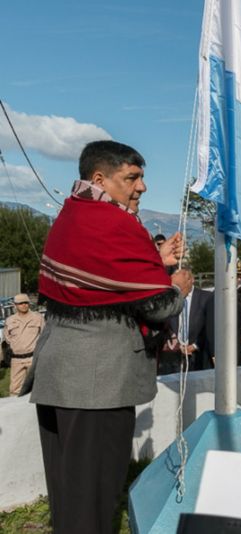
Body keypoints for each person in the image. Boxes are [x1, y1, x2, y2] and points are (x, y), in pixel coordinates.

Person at [25, 140, 190, 534]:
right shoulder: (115, 225)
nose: (142, 187)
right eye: (132, 177)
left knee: (70, 490)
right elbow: (156, 306)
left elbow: (103, 281)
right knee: (95, 496)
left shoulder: (71, 216)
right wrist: (177, 286)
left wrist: (155, 261)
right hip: (97, 382)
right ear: (99, 178)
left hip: (59, 374)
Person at [158, 269, 215, 373]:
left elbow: (210, 327)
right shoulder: (170, 298)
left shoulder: (207, 298)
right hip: (175, 356)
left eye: (181, 285)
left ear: (191, 280)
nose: (178, 289)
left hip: (199, 356)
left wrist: (195, 345)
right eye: (175, 286)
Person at [4, 293, 44, 396]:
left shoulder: (37, 318)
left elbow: (44, 336)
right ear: (15, 305)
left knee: (37, 388)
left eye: (26, 302)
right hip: (16, 360)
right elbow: (8, 339)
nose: (24, 305)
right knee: (14, 390)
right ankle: (14, 411)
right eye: (21, 303)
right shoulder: (10, 320)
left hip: (33, 358)